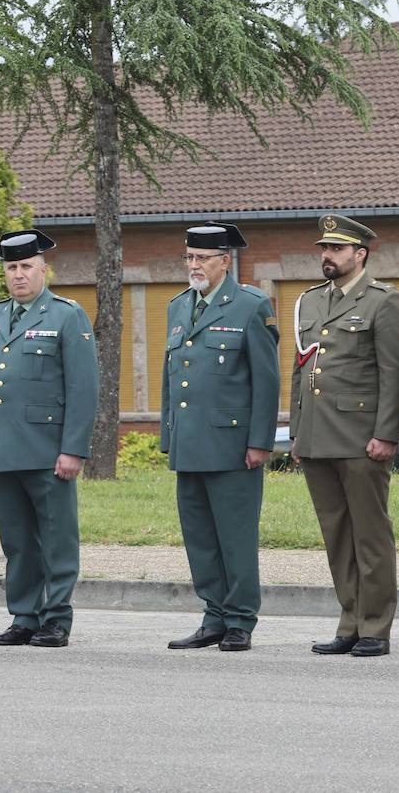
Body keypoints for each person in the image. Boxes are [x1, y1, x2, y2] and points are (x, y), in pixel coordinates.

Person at [0, 229, 99, 648]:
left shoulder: (66, 315)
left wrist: (73, 449)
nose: (19, 275)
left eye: (27, 266)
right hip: (1, 450)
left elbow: (84, 389)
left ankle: (56, 617)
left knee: (57, 538)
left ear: (44, 270)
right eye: (12, 267)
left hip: (47, 451)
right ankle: (24, 615)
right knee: (17, 541)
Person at [290, 215, 399, 658]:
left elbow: (394, 373)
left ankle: (376, 625)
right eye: (324, 249)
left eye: (336, 249)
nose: (327, 256)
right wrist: (297, 433)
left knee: (370, 534)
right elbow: (300, 372)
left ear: (360, 254)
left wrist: (387, 435)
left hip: (361, 437)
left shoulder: (384, 301)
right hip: (317, 437)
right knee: (337, 534)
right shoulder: (309, 301)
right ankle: (349, 621)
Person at [162, 223, 279, 654]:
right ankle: (213, 614)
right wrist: (167, 436)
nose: (194, 265)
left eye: (202, 258)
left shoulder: (250, 305)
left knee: (234, 536)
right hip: (190, 442)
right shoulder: (178, 306)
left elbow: (266, 382)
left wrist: (260, 442)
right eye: (189, 257)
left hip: (232, 446)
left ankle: (240, 619)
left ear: (224, 262)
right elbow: (171, 379)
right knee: (200, 536)